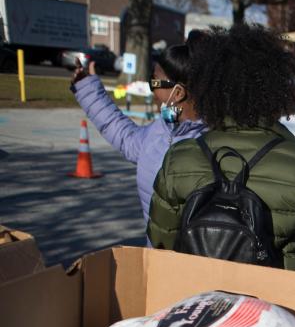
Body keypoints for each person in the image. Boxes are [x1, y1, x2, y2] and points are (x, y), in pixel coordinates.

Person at [147, 24, 295, 271]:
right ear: (275, 91)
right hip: (269, 299)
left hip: (197, 296)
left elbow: (161, 240)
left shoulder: (179, 157)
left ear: (208, 90)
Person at [71, 41, 205, 225]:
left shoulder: (215, 143)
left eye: (154, 82)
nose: (152, 91)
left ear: (178, 93)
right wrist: (87, 88)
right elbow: (125, 136)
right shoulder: (161, 131)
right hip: (154, 253)